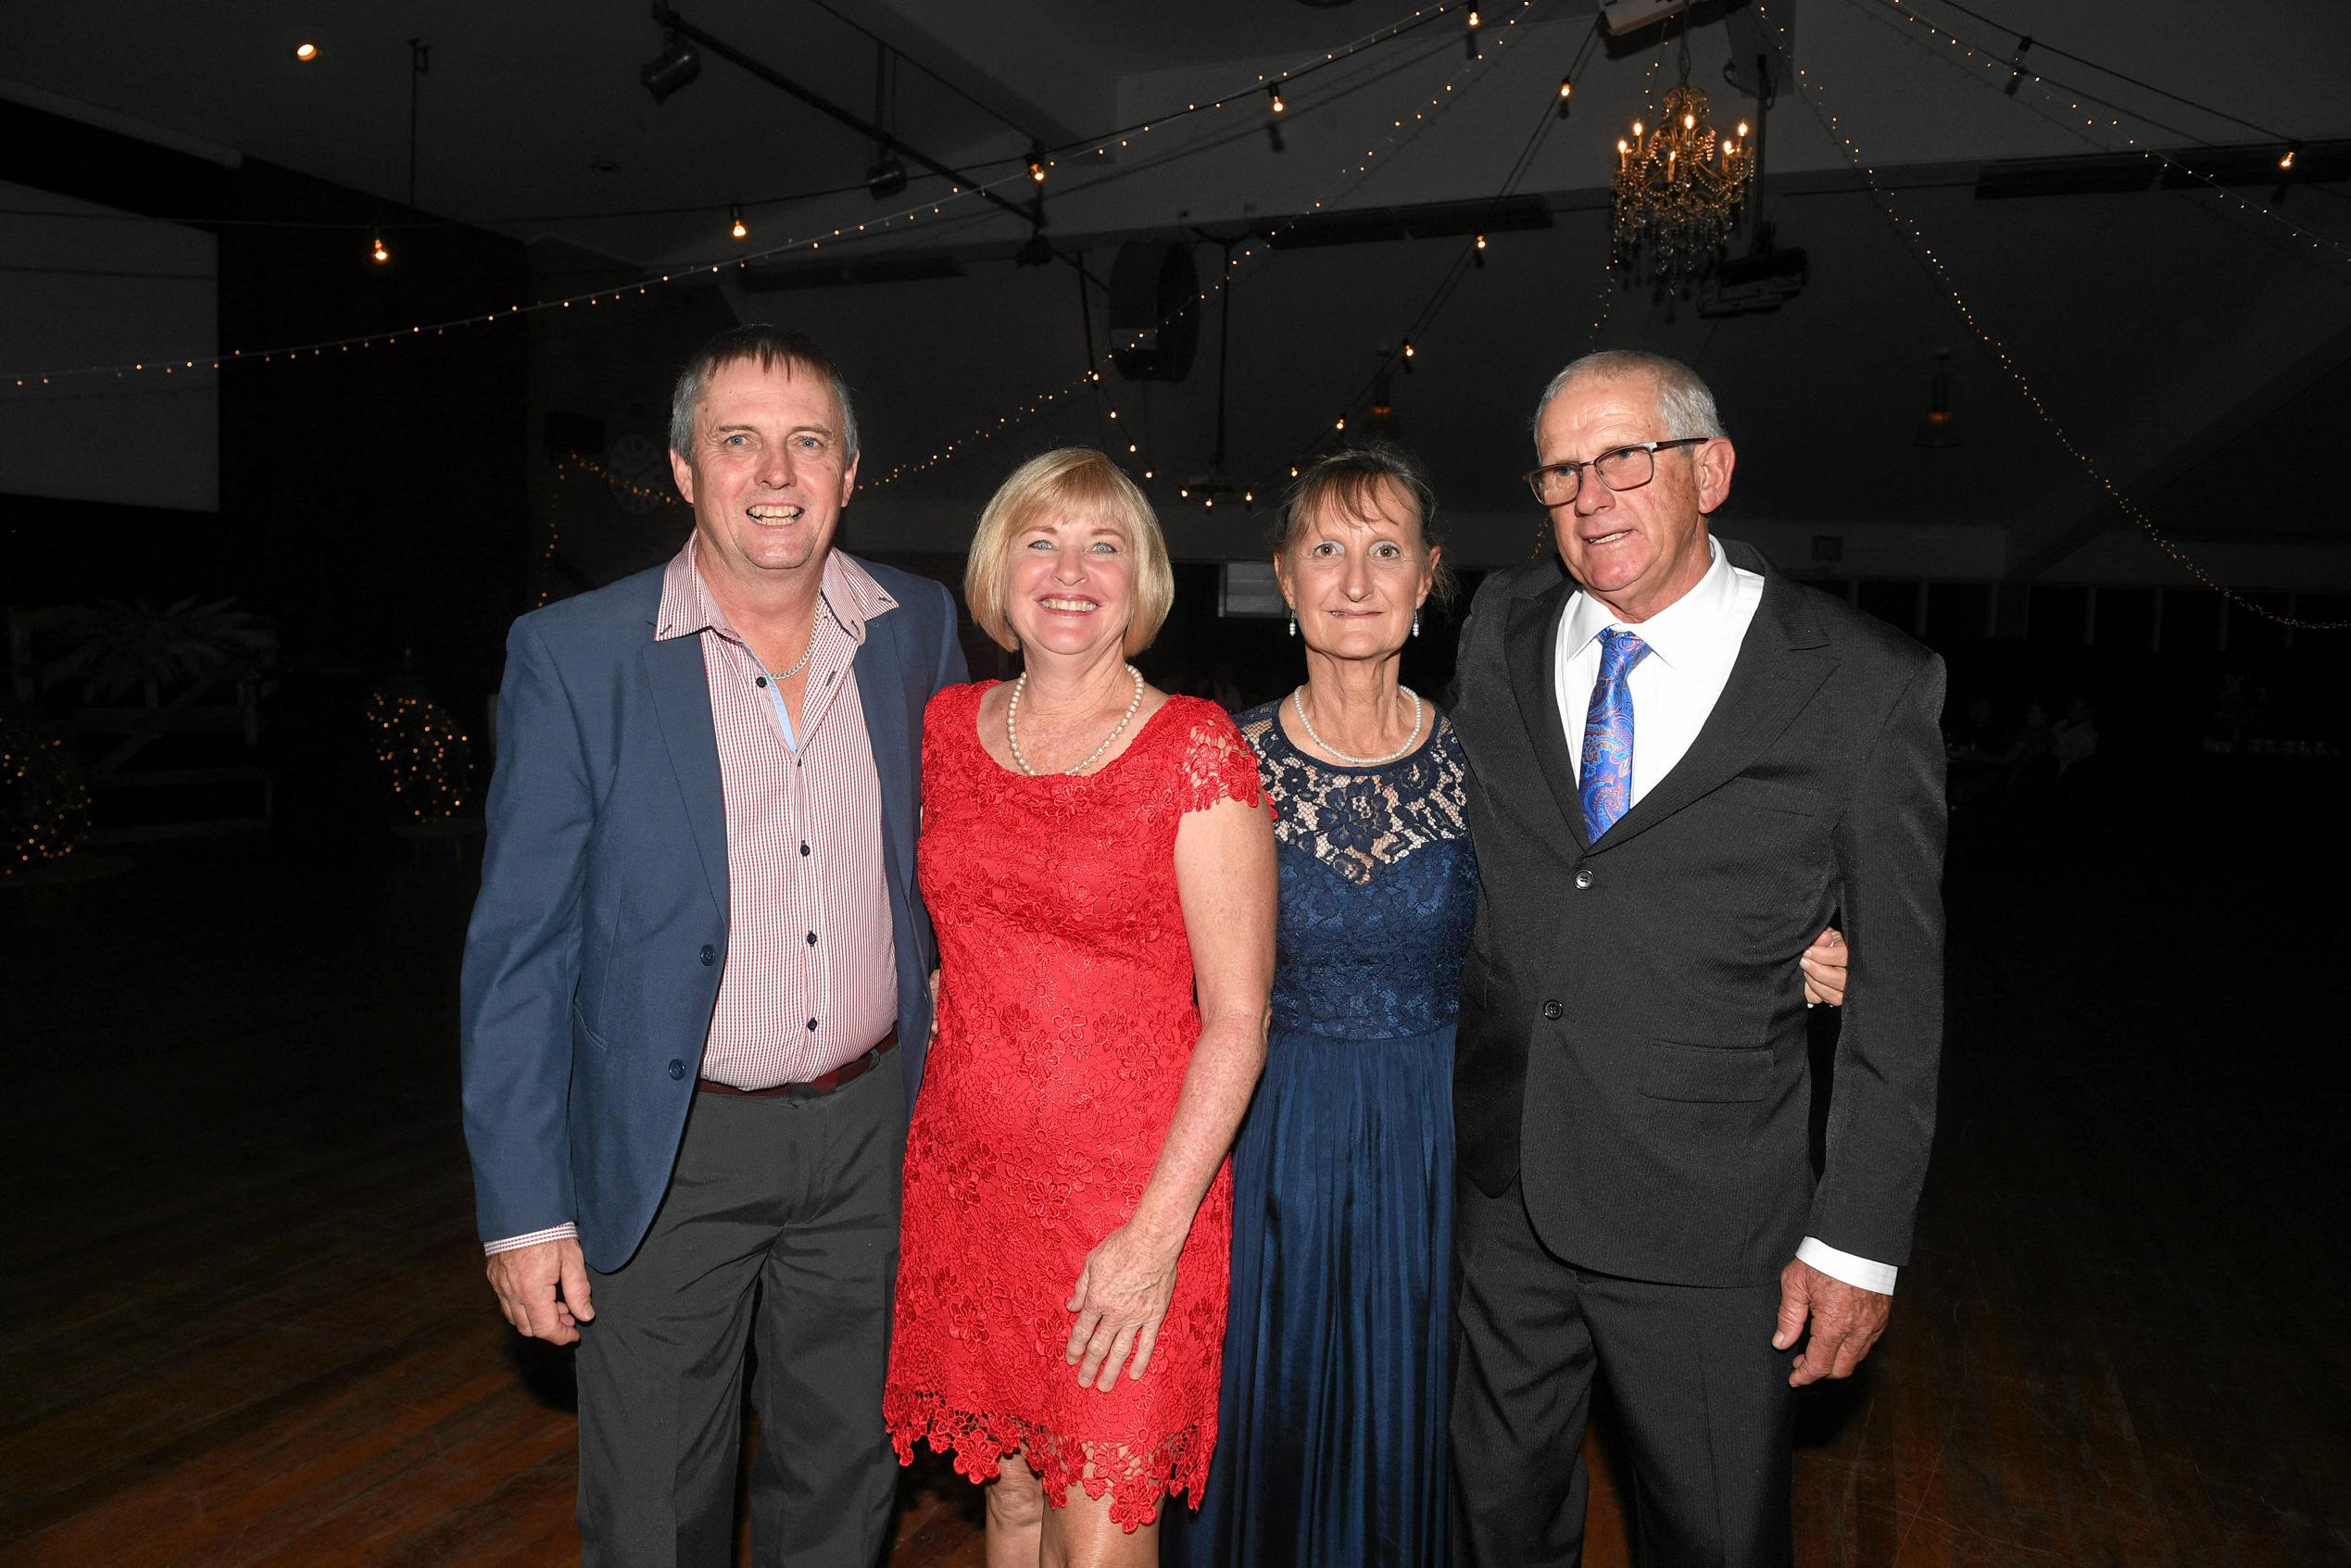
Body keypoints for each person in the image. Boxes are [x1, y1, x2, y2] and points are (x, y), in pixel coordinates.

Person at [1187, 445, 1851, 1568]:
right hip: (1269, 1145)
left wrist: (1770, 953)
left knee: (1451, 1437)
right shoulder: (1218, 762)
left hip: (1448, 1150)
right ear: (1285, 581)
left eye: (1386, 552)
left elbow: (1614, 895)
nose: (1355, 581)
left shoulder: (1489, 756)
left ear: (1428, 581)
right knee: (1272, 1406)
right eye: (1327, 552)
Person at [459, 323, 967, 1565]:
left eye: (807, 444)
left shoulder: (918, 628)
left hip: (870, 1135)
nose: (775, 473)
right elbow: (518, 951)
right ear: (684, 469)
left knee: (843, 1480)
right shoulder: (576, 658)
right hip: (669, 1142)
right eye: (737, 441)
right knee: (650, 1510)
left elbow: (955, 875)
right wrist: (523, 1210)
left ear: (850, 472)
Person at [1449, 351, 1946, 1566]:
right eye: (1562, 470)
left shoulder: (1862, 684)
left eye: (1625, 458)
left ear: (1710, 469)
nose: (1589, 495)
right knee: (1489, 1527)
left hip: (1709, 1225)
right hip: (1505, 1195)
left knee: (1715, 1538)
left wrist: (1853, 1241)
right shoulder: (1497, 626)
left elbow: (1899, 992)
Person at [883, 448, 1277, 1562]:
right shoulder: (947, 729)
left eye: (1104, 545)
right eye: (1040, 541)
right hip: (971, 1188)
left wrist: (1152, 1239)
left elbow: (1239, 1018)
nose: (1070, 570)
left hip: (1132, 1203)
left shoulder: (1195, 747)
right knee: (1008, 1503)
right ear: (998, 570)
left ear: (1143, 580)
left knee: (1102, 1530)